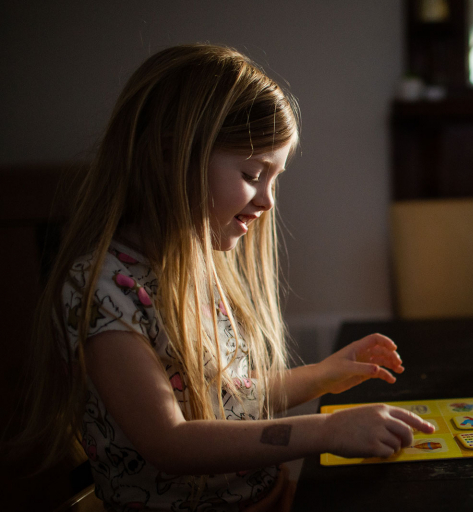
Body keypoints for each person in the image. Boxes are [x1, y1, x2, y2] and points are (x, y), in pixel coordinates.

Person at [10, 44, 433, 512]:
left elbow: (232, 399)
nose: (268, 200)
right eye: (253, 173)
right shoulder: (101, 289)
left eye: (275, 178)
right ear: (173, 157)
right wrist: (327, 431)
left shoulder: (196, 267)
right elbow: (171, 442)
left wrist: (323, 376)